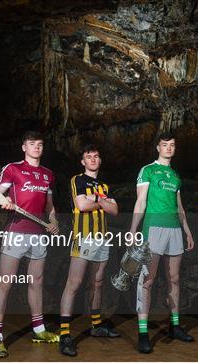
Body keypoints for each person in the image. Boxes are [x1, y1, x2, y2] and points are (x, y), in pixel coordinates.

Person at [0, 131, 60, 358]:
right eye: (32, 144)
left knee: (36, 282)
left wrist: (53, 220)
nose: (37, 148)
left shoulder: (47, 174)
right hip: (16, 232)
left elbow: (49, 204)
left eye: (40, 144)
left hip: (39, 234)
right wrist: (5, 201)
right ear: (24, 147)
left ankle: (38, 329)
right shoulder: (13, 169)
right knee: (5, 283)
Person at [130, 132, 195, 354]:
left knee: (174, 278)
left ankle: (175, 326)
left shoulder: (175, 175)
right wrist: (132, 229)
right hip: (153, 227)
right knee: (147, 279)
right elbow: (140, 201)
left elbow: (179, 206)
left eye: (172, 145)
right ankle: (143, 333)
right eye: (165, 144)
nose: (168, 148)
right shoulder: (148, 170)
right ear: (158, 147)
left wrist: (187, 231)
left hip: (174, 228)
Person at [59, 145, 120, 357]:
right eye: (88, 157)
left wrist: (97, 200)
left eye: (96, 156)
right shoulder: (78, 180)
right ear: (83, 162)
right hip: (83, 237)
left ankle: (96, 326)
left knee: (98, 282)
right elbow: (82, 205)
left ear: (100, 160)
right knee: (74, 283)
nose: (93, 159)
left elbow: (115, 210)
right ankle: (65, 334)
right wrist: (103, 202)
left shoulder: (103, 185)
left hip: (102, 238)